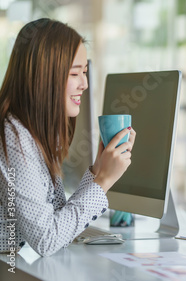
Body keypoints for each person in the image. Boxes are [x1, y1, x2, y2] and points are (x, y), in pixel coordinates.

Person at [0, 18, 136, 257]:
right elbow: (47, 239)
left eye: (84, 72)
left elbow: (57, 218)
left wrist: (97, 170)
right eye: (75, 73)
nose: (84, 83)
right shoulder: (13, 138)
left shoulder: (34, 133)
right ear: (43, 77)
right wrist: (103, 181)